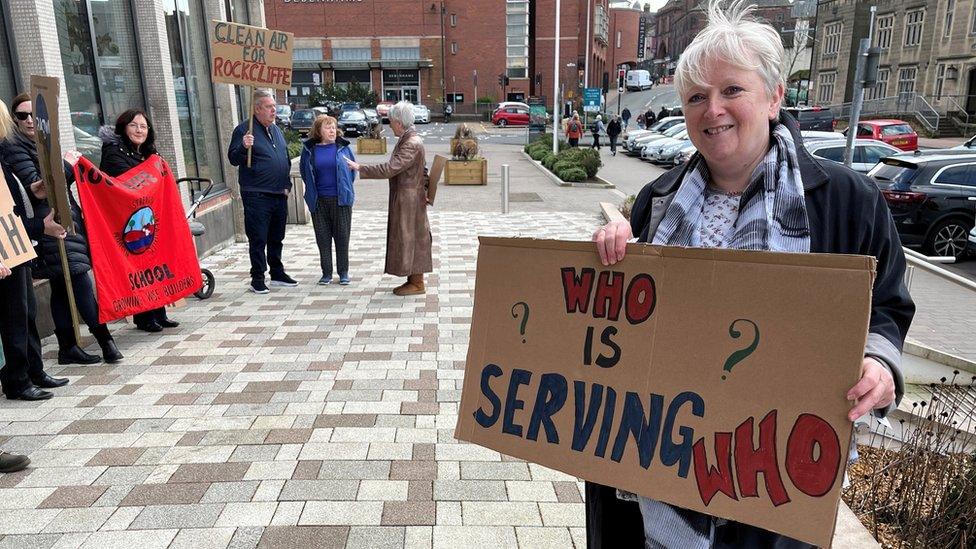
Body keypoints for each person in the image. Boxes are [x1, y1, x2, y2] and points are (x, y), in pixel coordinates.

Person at [589, 2, 914, 548]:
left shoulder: (845, 200)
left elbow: (887, 306)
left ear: (774, 96)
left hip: (777, 474)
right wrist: (611, 254)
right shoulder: (658, 199)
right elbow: (622, 315)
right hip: (662, 466)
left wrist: (880, 365)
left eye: (731, 90)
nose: (712, 109)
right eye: (696, 97)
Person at [0, 93, 122, 365]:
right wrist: (68, 163)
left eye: (34, 115)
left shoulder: (43, 144)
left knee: (63, 284)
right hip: (45, 228)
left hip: (63, 222)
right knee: (77, 279)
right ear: (14, 120)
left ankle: (68, 346)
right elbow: (38, 188)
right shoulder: (14, 147)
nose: (30, 120)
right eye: (22, 115)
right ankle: (105, 341)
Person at [0, 98, 70, 400]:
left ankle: (34, 370)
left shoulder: (2, 156)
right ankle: (17, 380)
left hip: (17, 247)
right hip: (7, 250)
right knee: (14, 317)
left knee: (26, 312)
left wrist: (32, 191)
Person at [99, 109, 180, 334]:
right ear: (123, 128)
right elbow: (130, 186)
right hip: (127, 221)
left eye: (143, 126)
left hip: (148, 216)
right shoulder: (113, 153)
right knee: (139, 268)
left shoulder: (148, 153)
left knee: (154, 263)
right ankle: (144, 317)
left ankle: (159, 312)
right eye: (134, 125)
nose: (139, 130)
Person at [345, 102, 432, 296]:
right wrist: (425, 191)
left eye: (391, 121)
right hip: (409, 197)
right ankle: (414, 280)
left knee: (410, 238)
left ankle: (417, 283)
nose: (389, 125)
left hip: (408, 199)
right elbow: (423, 169)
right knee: (409, 238)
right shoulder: (409, 139)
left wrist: (360, 168)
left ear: (399, 123)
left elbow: (390, 168)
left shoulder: (410, 143)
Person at [228, 89, 297, 294]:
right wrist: (243, 146)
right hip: (257, 194)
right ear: (257, 109)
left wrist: (287, 185)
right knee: (258, 238)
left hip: (278, 193)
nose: (273, 110)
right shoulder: (244, 130)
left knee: (277, 236)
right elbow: (233, 158)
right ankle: (258, 276)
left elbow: (283, 158)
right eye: (269, 107)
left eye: (274, 106)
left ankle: (277, 272)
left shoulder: (275, 129)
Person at [300, 115, 357, 286]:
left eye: (333, 127)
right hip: (319, 200)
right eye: (327, 127)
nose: (332, 130)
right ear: (318, 131)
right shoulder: (310, 150)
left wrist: (345, 188)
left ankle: (343, 272)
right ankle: (326, 273)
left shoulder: (343, 148)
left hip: (341, 200)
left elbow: (352, 172)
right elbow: (305, 172)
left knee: (342, 237)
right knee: (323, 238)